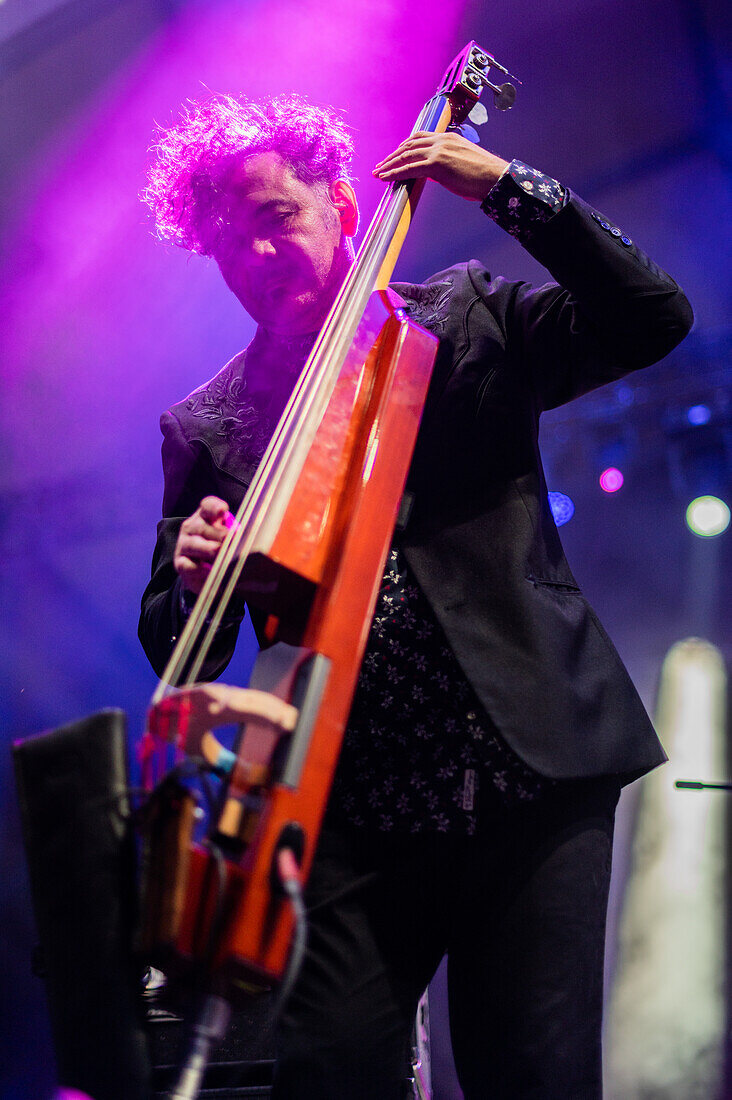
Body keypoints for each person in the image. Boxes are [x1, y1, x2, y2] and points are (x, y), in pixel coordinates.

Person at [139, 93, 692, 1099]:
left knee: (532, 1078)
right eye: (231, 240)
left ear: (345, 205)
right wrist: (193, 574)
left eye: (278, 218)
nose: (257, 255)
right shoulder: (207, 425)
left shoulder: (468, 317)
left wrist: (511, 191)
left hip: (528, 781)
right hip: (349, 811)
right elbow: (181, 642)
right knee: (326, 1076)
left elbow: (653, 316)